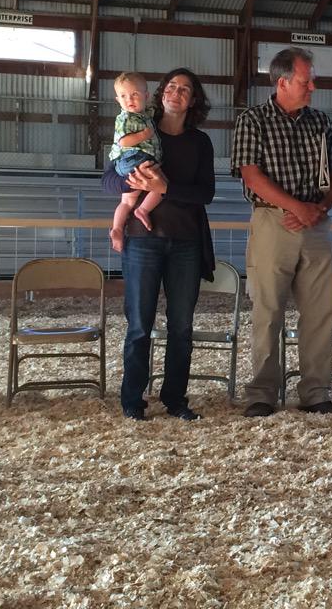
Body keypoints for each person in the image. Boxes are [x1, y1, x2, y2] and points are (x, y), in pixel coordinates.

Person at [231, 47, 332, 417]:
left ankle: (316, 390)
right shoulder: (253, 120)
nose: (313, 85)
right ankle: (262, 392)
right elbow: (251, 175)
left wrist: (320, 208)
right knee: (267, 309)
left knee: (320, 311)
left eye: (311, 78)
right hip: (272, 222)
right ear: (282, 82)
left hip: (317, 222)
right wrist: (297, 207)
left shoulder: (321, 123)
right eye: (305, 79)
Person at [102, 68, 216, 422]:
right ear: (160, 93)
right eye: (171, 86)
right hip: (142, 242)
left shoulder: (200, 143)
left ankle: (175, 398)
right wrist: (128, 181)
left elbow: (205, 193)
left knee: (181, 326)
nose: (176, 92)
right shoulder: (137, 126)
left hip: (185, 242)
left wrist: (166, 188)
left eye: (185, 89)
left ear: (193, 99)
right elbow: (107, 179)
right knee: (139, 324)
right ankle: (132, 399)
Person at [108, 72, 163, 252]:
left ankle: (116, 228)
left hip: (130, 162)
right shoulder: (125, 118)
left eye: (135, 94)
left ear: (146, 96)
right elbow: (123, 141)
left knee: (127, 201)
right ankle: (144, 210)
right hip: (135, 158)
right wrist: (143, 135)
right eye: (123, 96)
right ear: (118, 100)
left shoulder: (144, 114)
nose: (129, 99)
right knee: (162, 186)